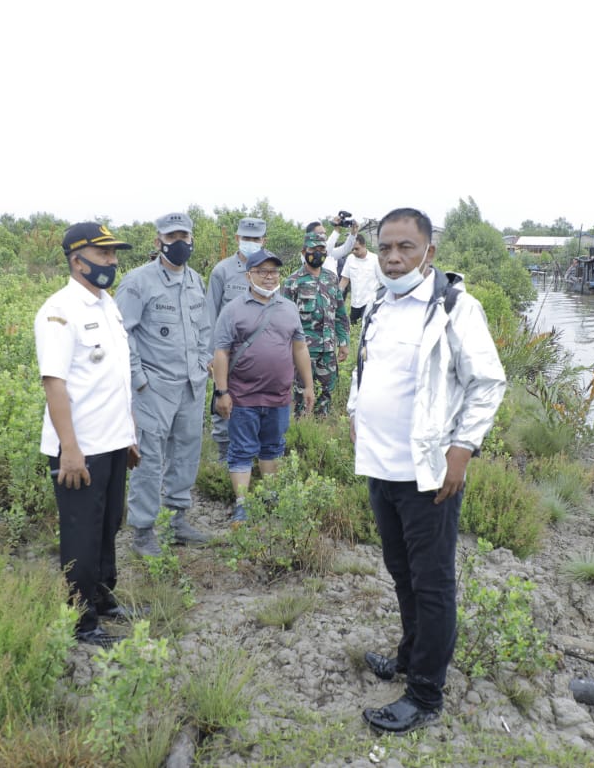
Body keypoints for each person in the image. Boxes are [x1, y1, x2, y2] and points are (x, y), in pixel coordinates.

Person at [348, 208, 507, 734]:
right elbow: (365, 367)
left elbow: (487, 383)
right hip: (381, 467)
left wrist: (462, 449)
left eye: (406, 248)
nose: (394, 258)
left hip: (429, 473)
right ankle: (410, 656)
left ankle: (424, 694)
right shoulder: (379, 303)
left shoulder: (455, 308)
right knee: (401, 572)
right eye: (386, 248)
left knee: (433, 584)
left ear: (429, 252)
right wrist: (355, 413)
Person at [35, 221, 141, 647]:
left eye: (114, 254)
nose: (112, 261)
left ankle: (103, 598)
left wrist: (128, 433)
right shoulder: (59, 311)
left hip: (113, 440)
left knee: (109, 524)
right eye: (103, 255)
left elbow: (116, 377)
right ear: (77, 260)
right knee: (81, 533)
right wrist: (70, 451)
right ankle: (81, 622)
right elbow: (54, 383)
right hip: (80, 449)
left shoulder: (106, 304)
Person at [114, 211, 213, 557]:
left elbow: (205, 330)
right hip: (153, 388)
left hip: (191, 385)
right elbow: (121, 333)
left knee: (186, 453)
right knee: (150, 460)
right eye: (172, 238)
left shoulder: (196, 281)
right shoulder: (137, 282)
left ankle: (179, 521)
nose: (179, 244)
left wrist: (203, 364)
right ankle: (142, 531)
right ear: (158, 243)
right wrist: (139, 379)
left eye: (184, 237)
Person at [211, 249, 315, 524]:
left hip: (279, 396)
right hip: (242, 396)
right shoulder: (232, 309)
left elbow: (300, 348)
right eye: (262, 272)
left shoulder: (289, 308)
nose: (269, 277)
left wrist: (308, 386)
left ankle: (270, 497)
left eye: (274, 272)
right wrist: (222, 392)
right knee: (242, 449)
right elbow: (221, 353)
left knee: (272, 447)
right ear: (249, 276)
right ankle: (242, 505)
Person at [206, 217, 268, 460]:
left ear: (264, 240)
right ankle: (224, 460)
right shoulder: (222, 271)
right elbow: (210, 313)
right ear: (237, 238)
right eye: (246, 238)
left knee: (259, 407)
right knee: (223, 405)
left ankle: (253, 461)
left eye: (255, 239)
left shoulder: (270, 268)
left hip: (261, 355)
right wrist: (210, 353)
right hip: (227, 354)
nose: (251, 242)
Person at [282, 231, 350, 416]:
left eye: (322, 249)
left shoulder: (331, 279)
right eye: (314, 249)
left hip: (328, 349)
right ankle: (299, 431)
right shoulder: (293, 282)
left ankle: (320, 426)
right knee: (300, 393)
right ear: (304, 251)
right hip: (303, 351)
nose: (318, 253)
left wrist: (344, 342)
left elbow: (340, 313)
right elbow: (283, 320)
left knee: (326, 393)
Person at [338, 234, 379, 324]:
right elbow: (345, 279)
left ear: (364, 246)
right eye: (352, 249)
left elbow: (383, 281)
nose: (354, 251)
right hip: (355, 303)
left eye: (357, 248)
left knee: (366, 329)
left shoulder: (375, 259)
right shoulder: (350, 259)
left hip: (369, 303)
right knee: (353, 326)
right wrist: (337, 294)